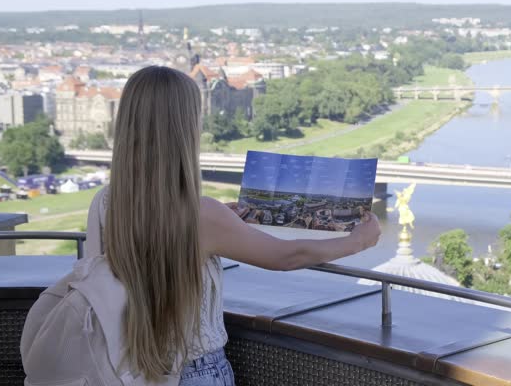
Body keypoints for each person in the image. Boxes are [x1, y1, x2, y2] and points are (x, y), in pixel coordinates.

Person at [84, 66, 381, 385]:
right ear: (184, 128)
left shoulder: (105, 202)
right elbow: (285, 256)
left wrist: (219, 222)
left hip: (128, 368)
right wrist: (358, 242)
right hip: (194, 372)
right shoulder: (200, 215)